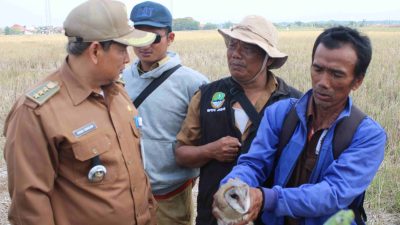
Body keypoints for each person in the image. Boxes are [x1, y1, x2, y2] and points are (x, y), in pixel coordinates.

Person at [3, 0, 158, 224]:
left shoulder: (117, 93)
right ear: (95, 50)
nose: (128, 58)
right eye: (122, 49)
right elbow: (30, 208)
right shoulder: (37, 113)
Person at [214, 26, 387, 225]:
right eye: (318, 69)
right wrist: (232, 187)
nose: (323, 82)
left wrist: (265, 198)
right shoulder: (280, 114)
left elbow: (333, 193)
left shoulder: (367, 135)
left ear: (357, 81)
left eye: (336, 75)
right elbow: (254, 164)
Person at [175, 15, 302, 225]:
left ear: (268, 58)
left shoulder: (293, 103)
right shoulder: (206, 95)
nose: (235, 54)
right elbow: (181, 154)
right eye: (232, 45)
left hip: (270, 217)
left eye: (248, 48)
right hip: (214, 214)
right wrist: (210, 151)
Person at [121, 1, 209, 225]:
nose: (144, 44)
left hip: (170, 194)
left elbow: (204, 137)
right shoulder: (119, 79)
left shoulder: (193, 83)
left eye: (154, 37)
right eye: (138, 35)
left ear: (170, 39)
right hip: (126, 194)